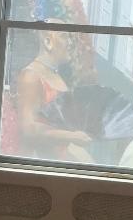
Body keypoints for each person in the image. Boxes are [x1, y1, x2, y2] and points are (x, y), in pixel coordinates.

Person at [12, 30, 94, 162]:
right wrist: (72, 137)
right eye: (64, 36)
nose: (70, 43)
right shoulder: (31, 76)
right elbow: (28, 129)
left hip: (58, 160)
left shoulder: (57, 77)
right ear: (47, 41)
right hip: (37, 164)